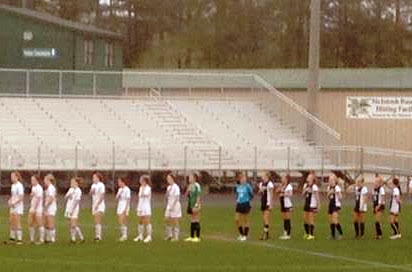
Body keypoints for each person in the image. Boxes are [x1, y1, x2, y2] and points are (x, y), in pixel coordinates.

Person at [64, 177, 84, 243]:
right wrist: (68, 195)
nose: (71, 183)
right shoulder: (70, 189)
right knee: (70, 224)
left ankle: (81, 237)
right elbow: (65, 197)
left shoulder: (78, 191)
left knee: (73, 224)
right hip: (68, 208)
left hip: (74, 209)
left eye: (72, 182)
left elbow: (77, 201)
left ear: (76, 183)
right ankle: (73, 238)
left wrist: (72, 209)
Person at [235, 172, 253, 242]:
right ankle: (241, 234)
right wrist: (238, 200)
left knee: (246, 220)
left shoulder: (248, 186)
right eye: (242, 178)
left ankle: (245, 235)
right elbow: (237, 195)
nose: (243, 180)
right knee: (236, 219)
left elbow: (251, 195)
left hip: (246, 203)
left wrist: (248, 201)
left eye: (244, 178)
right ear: (240, 179)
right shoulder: (237, 186)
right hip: (239, 204)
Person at [134, 175, 152, 243]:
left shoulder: (148, 188)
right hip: (141, 205)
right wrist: (138, 207)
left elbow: (144, 194)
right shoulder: (141, 187)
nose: (140, 181)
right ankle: (140, 235)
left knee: (147, 220)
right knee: (140, 221)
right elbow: (140, 197)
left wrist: (143, 189)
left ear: (144, 181)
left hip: (146, 206)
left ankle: (149, 236)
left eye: (141, 179)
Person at [184, 172, 202, 242]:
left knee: (196, 219)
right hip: (191, 204)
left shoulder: (197, 185)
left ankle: (197, 236)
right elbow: (186, 195)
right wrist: (188, 190)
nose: (189, 179)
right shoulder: (190, 185)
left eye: (190, 177)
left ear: (194, 178)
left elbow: (198, 196)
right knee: (192, 219)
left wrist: (196, 205)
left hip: (196, 204)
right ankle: (191, 236)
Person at [7, 171, 24, 245]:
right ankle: (12, 238)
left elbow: (21, 197)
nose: (12, 178)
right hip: (12, 206)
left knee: (17, 221)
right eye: (11, 177)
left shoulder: (19, 186)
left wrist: (15, 202)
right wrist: (10, 201)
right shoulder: (13, 185)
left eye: (13, 176)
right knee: (11, 221)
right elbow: (13, 195)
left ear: (17, 177)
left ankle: (19, 239)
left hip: (18, 206)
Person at [165, 174, 182, 241]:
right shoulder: (169, 187)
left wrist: (173, 205)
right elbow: (167, 196)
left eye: (169, 178)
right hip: (169, 205)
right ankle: (169, 235)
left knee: (175, 220)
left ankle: (176, 236)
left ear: (172, 178)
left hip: (175, 206)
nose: (167, 180)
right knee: (167, 219)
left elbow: (177, 197)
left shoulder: (176, 187)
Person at [302, 172, 320, 240]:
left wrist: (318, 205)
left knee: (311, 219)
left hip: (312, 204)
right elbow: (302, 194)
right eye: (308, 177)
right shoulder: (305, 185)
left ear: (312, 179)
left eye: (309, 177)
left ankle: (311, 234)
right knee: (305, 219)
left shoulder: (314, 186)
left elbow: (317, 196)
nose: (308, 178)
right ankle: (306, 233)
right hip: (306, 204)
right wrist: (305, 190)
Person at [28, 175, 45, 244]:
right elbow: (33, 196)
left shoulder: (39, 188)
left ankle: (41, 240)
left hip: (38, 208)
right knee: (30, 222)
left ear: (37, 180)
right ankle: (32, 239)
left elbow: (39, 198)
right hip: (33, 207)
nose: (32, 181)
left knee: (39, 223)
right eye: (31, 180)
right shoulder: (33, 187)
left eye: (33, 180)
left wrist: (35, 208)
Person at [327, 174, 343, 240]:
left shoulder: (337, 187)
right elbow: (328, 197)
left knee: (335, 220)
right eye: (329, 180)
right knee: (331, 221)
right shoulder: (328, 187)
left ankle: (340, 234)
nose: (330, 181)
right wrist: (330, 193)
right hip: (331, 204)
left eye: (332, 180)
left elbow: (340, 197)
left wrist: (337, 194)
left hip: (336, 205)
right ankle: (333, 235)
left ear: (334, 181)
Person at [258, 172, 274, 240]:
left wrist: (271, 203)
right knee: (264, 219)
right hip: (263, 202)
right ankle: (267, 234)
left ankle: (265, 235)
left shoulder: (269, 183)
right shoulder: (261, 184)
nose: (262, 177)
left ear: (267, 176)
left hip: (267, 203)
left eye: (263, 175)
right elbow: (260, 193)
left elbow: (271, 193)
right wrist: (260, 191)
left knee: (266, 218)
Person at [90, 172, 105, 241]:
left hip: (99, 204)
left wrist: (98, 204)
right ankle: (97, 235)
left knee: (98, 219)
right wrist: (91, 191)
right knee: (96, 220)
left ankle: (99, 236)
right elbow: (91, 194)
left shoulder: (101, 185)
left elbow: (102, 195)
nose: (93, 179)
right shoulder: (93, 185)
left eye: (94, 177)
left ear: (98, 178)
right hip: (94, 204)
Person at [116, 177, 131, 242]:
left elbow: (128, 199)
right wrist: (118, 195)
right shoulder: (120, 189)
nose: (118, 183)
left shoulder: (127, 189)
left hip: (124, 205)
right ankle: (123, 234)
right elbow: (116, 198)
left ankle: (125, 235)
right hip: (120, 205)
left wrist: (126, 208)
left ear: (123, 182)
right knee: (120, 220)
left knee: (123, 220)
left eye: (119, 182)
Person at [278, 175, 293, 240]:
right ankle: (285, 233)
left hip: (287, 204)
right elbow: (277, 191)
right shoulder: (282, 185)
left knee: (287, 219)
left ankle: (288, 234)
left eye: (283, 178)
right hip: (282, 204)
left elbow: (290, 194)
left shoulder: (289, 186)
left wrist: (283, 194)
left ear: (286, 179)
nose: (282, 179)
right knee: (284, 219)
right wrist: (279, 189)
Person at [44, 173, 57, 243]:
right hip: (48, 207)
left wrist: (46, 205)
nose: (44, 181)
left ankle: (52, 239)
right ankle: (47, 238)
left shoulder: (51, 188)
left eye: (45, 180)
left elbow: (51, 198)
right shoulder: (48, 188)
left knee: (50, 223)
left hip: (51, 207)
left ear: (49, 180)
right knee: (47, 222)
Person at [372, 175, 385, 240]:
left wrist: (378, 206)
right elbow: (374, 198)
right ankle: (378, 234)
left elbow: (382, 198)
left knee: (377, 220)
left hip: (380, 205)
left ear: (379, 182)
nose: (375, 182)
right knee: (377, 221)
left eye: (376, 181)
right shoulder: (374, 189)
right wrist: (373, 206)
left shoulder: (381, 188)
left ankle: (379, 235)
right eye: (374, 181)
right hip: (375, 205)